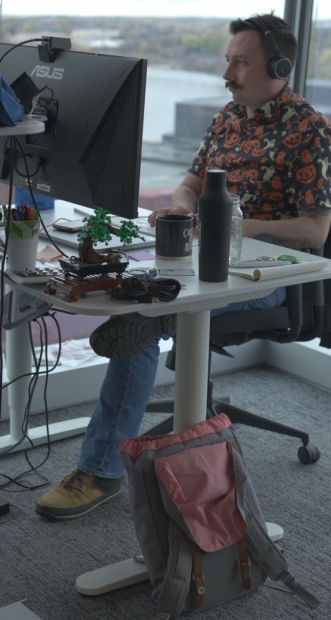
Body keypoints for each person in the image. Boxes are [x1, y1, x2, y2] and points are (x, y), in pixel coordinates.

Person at [36, 13, 331, 520]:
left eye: (240, 62)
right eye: (227, 61)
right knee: (133, 288)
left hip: (269, 278)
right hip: (201, 259)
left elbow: (316, 231)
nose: (227, 73)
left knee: (144, 319)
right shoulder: (228, 116)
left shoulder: (310, 130)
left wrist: (231, 223)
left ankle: (102, 470)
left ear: (277, 65)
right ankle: (153, 314)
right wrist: (180, 207)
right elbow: (189, 186)